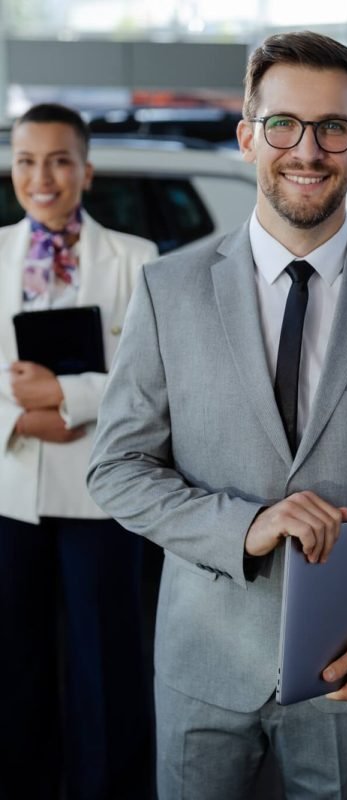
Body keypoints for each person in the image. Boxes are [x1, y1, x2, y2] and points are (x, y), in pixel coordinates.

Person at [88, 31, 347, 800]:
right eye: (283, 124)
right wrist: (243, 526)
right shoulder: (167, 291)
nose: (307, 150)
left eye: (332, 128)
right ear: (248, 136)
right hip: (202, 661)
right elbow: (115, 468)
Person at [0, 103, 158, 800]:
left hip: (103, 496)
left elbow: (146, 379)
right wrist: (25, 419)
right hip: (9, 491)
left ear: (86, 171)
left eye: (60, 160)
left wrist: (64, 396)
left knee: (107, 670)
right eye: (28, 160)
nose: (43, 176)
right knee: (14, 667)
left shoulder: (136, 259)